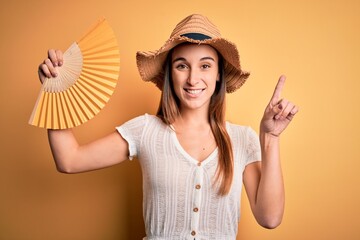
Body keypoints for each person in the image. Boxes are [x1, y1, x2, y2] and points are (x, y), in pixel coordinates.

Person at [38, 14, 298, 240]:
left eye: (205, 65)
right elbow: (69, 160)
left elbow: (269, 217)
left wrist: (271, 137)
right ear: (170, 73)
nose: (193, 78)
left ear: (218, 73)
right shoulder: (145, 130)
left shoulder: (243, 138)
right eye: (182, 65)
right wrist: (55, 89)